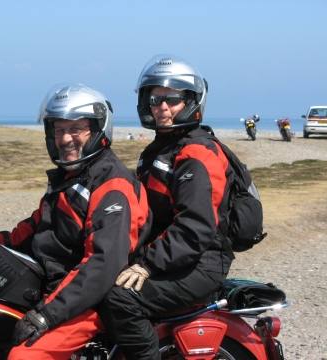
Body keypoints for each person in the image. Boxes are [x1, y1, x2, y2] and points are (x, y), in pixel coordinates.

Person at [0, 83, 151, 359]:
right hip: (56, 290)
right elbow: (30, 231)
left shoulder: (111, 186)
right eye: (59, 130)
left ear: (97, 130)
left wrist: (46, 315)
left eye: (76, 129)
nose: (65, 139)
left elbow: (102, 263)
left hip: (90, 300)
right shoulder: (70, 180)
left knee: (24, 358)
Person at [99, 54, 235, 359]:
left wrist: (146, 264)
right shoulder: (160, 149)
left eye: (171, 100)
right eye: (155, 99)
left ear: (190, 101)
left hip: (199, 263)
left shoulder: (197, 154)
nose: (161, 107)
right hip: (172, 257)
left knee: (120, 299)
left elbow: (194, 230)